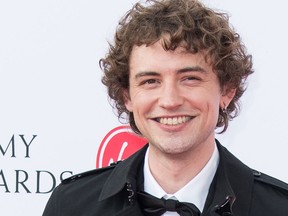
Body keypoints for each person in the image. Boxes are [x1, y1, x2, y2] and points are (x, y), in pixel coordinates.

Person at [43, 0, 288, 215]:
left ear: (226, 91)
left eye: (190, 78)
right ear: (127, 96)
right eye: (151, 81)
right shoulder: (71, 206)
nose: (170, 100)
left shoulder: (279, 208)